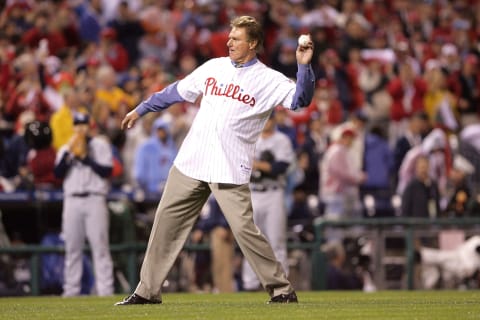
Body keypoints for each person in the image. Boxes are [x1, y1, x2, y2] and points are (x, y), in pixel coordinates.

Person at [115, 15, 314, 305]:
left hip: (229, 166)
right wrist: (142, 109)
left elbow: (301, 100)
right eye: (230, 36)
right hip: (192, 161)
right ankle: (146, 292)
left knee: (245, 230)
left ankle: (281, 288)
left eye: (236, 38)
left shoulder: (268, 78)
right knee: (165, 224)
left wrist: (304, 66)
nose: (229, 41)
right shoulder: (214, 66)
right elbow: (176, 91)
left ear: (253, 43)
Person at [53, 112, 114, 297]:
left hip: (95, 199)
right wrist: (71, 154)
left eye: (84, 124)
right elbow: (57, 174)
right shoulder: (66, 148)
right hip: (72, 200)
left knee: (100, 247)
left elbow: (107, 171)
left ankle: (105, 291)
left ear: (90, 126)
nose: (81, 128)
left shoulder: (100, 145)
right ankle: (71, 291)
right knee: (72, 248)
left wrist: (86, 158)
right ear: (74, 126)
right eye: (77, 124)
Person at [242, 113, 296, 292]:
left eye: (269, 119)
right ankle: (250, 284)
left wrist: (257, 165)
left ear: (273, 121)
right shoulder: (250, 137)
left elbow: (280, 168)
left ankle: (282, 283)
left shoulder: (281, 140)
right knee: (250, 240)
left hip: (274, 194)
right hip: (253, 193)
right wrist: (261, 166)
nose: (266, 123)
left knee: (276, 240)